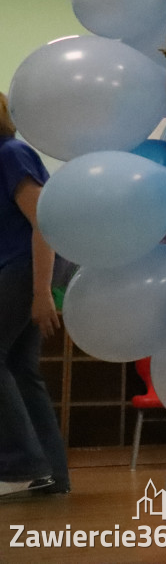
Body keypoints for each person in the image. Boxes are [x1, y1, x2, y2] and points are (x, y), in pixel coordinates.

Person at [0, 91, 70, 497]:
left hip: (29, 267)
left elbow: (44, 221)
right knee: (21, 368)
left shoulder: (10, 153)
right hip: (18, 268)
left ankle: (21, 465)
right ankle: (51, 474)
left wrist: (42, 292)